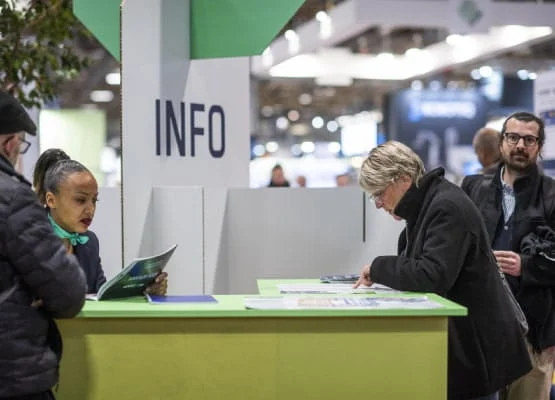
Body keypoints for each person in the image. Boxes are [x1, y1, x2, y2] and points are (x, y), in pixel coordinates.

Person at [354, 140, 531, 400]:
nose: (379, 203)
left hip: (475, 353)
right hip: (463, 349)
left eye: (379, 193)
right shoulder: (429, 205)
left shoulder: (446, 207)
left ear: (403, 178)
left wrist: (379, 267)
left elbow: (431, 275)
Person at [462, 112, 555, 400]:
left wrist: (525, 265)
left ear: (539, 146)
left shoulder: (551, 194)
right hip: (480, 326)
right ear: (502, 142)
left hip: (534, 331)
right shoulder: (474, 189)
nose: (520, 145)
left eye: (529, 139)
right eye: (513, 137)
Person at [0, 91, 87, 399]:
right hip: (12, 376)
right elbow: (68, 293)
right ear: (9, 144)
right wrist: (34, 293)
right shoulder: (13, 199)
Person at [33, 149, 168, 295]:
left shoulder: (90, 242)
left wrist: (146, 291)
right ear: (51, 200)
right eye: (80, 200)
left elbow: (101, 296)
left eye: (94, 200)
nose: (90, 209)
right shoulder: (29, 242)